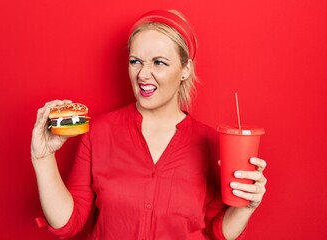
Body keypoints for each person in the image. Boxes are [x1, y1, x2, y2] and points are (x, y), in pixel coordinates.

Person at [31, 9, 267, 240]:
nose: (143, 74)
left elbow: (218, 232)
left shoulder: (212, 143)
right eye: (135, 61)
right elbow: (68, 224)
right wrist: (43, 158)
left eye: (159, 62)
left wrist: (247, 206)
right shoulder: (99, 132)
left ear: (185, 69)